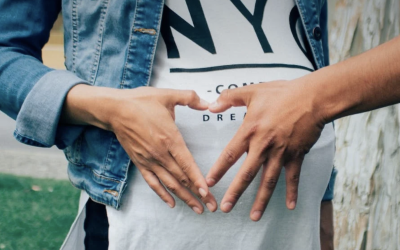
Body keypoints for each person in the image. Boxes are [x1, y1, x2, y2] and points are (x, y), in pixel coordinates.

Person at [0, 0, 338, 249]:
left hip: (293, 225)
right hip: (135, 228)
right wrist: (108, 108)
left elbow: (308, 82)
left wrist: (323, 202)